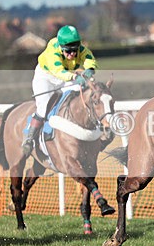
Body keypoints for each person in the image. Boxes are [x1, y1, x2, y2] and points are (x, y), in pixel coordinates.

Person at [21, 25, 98, 157]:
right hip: (46, 77)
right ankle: (29, 138)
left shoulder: (79, 49)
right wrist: (75, 76)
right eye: (68, 51)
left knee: (78, 93)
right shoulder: (53, 51)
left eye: (74, 50)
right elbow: (58, 71)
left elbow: (89, 58)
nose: (72, 54)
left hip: (66, 75)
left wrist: (90, 70)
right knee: (44, 107)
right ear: (61, 47)